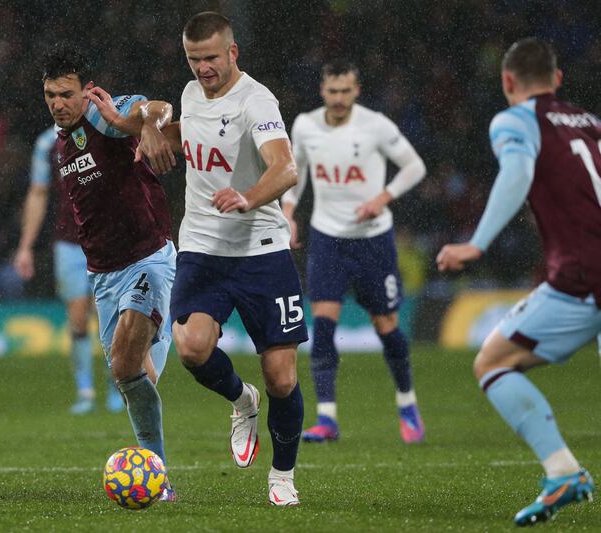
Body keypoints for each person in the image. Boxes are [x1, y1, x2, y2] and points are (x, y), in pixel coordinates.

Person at [437, 38, 600, 526]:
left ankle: (563, 472)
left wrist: (477, 242)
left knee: (494, 361)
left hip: (583, 275)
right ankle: (564, 474)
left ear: (508, 82)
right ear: (558, 79)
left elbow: (517, 171)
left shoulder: (514, 120)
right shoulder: (591, 123)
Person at [157, 12, 308, 506]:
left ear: (233, 53)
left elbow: (284, 168)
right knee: (192, 348)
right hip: (202, 246)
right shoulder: (190, 92)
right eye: (193, 59)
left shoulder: (256, 101)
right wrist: (149, 132)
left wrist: (247, 196)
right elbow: (193, 134)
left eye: (210, 59)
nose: (202, 68)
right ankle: (243, 401)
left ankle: (282, 476)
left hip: (261, 251)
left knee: (282, 376)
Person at [39, 41, 177, 500]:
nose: (58, 103)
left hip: (148, 258)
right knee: (130, 376)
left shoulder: (104, 113)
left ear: (87, 90)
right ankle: (158, 477)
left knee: (124, 363)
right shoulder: (60, 143)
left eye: (66, 93)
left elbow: (157, 107)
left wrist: (140, 124)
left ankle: (158, 477)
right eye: (50, 95)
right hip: (103, 274)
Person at [281, 61, 427, 444]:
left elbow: (414, 166)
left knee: (387, 327)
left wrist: (383, 197)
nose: (340, 98)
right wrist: (289, 212)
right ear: (322, 91)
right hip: (328, 239)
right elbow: (294, 174)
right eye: (333, 91)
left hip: (374, 241)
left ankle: (407, 402)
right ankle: (326, 418)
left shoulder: (376, 125)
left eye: (346, 91)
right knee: (323, 324)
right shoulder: (306, 126)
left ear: (357, 90)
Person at [14, 126, 124, 415]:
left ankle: (117, 388)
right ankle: (85, 392)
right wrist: (25, 245)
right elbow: (38, 192)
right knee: (77, 318)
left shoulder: (103, 132)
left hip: (108, 240)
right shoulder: (46, 143)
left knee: (108, 320)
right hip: (68, 243)